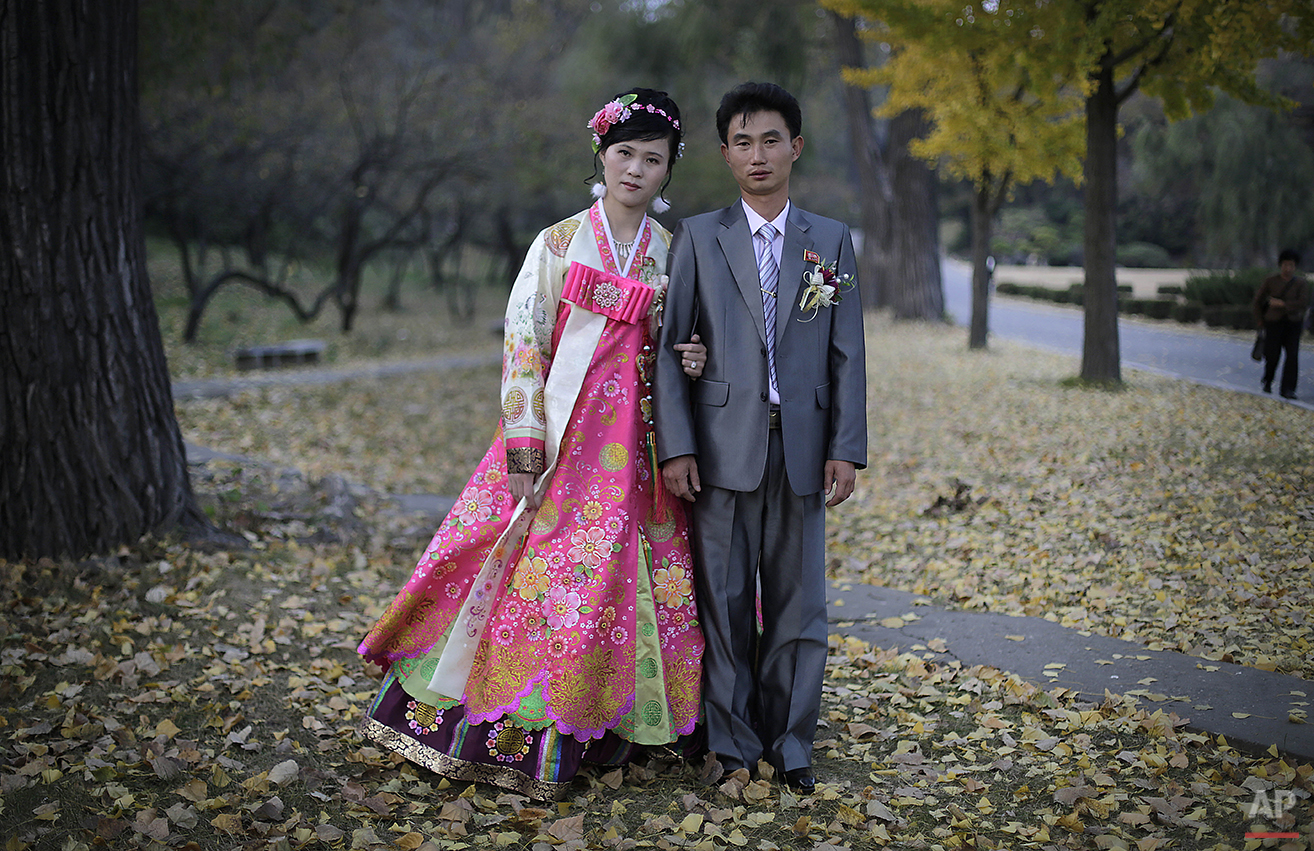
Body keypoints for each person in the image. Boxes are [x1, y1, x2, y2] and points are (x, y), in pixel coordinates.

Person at [358, 88, 708, 800]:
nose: (635, 170)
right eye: (624, 155)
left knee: (620, 585)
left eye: (652, 159)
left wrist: (693, 359)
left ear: (670, 170)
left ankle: (613, 728)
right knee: (545, 578)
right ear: (602, 157)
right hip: (563, 443)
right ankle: (515, 726)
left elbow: (681, 348)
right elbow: (524, 342)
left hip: (639, 451)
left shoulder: (675, 253)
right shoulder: (556, 244)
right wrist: (525, 442)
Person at [652, 82, 867, 795]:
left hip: (803, 446)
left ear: (795, 147)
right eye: (742, 142)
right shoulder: (700, 237)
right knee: (724, 599)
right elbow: (671, 346)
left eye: (771, 139)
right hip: (719, 449)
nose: (758, 154)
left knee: (801, 603)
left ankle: (792, 739)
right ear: (724, 154)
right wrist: (677, 446)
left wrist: (846, 444)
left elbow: (845, 351)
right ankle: (733, 741)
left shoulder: (828, 241)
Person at [1252, 249, 1308, 400]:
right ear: (1280, 265)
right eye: (1285, 265)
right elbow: (1258, 300)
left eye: (1291, 265)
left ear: (1295, 266)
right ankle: (1268, 381)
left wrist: (1283, 304)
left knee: (1292, 356)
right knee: (1272, 355)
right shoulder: (1271, 281)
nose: (1288, 268)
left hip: (1293, 323)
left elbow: (1303, 303)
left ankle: (1288, 389)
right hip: (1273, 323)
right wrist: (1260, 320)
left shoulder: (1300, 283)